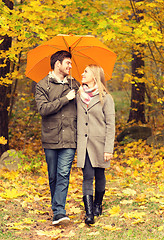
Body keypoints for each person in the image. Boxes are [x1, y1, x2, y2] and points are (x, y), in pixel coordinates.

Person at [35, 50, 80, 225]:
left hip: (70, 137)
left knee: (63, 174)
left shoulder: (74, 84)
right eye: (67, 63)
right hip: (51, 137)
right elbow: (43, 109)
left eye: (70, 63)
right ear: (57, 64)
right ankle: (57, 209)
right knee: (53, 175)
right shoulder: (42, 85)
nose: (70, 66)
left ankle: (59, 212)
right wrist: (65, 98)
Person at [76, 64, 115, 225]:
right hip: (84, 144)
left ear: (94, 75)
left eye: (86, 71)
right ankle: (89, 212)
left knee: (100, 175)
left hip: (100, 143)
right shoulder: (78, 95)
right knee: (87, 176)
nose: (82, 74)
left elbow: (111, 124)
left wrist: (108, 149)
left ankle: (98, 204)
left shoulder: (106, 98)